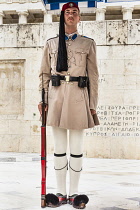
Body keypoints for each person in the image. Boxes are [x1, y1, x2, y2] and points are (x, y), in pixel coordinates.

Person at [38, 2, 99, 209]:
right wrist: (43, 100)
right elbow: (45, 73)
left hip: (78, 97)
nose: (71, 15)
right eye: (67, 13)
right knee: (59, 149)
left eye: (74, 13)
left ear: (79, 18)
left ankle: (74, 193)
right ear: (63, 16)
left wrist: (92, 104)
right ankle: (60, 192)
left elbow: (93, 76)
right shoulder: (51, 43)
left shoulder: (87, 43)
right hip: (55, 98)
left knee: (76, 149)